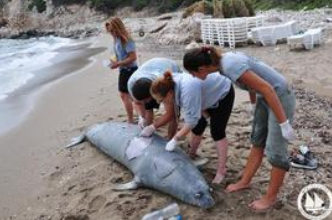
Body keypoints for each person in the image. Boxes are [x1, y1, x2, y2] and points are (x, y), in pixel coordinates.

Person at [183, 46, 296, 211]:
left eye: (192, 73)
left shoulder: (229, 65)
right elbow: (252, 84)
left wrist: (283, 124)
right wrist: (253, 105)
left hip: (279, 97)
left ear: (201, 69)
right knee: (257, 140)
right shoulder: (222, 65)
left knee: (276, 151)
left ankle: (270, 198)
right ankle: (245, 181)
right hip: (264, 97)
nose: (192, 77)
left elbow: (268, 88)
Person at [148, 71, 234, 184]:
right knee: (198, 128)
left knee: (217, 132)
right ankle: (191, 155)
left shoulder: (187, 91)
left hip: (222, 93)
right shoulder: (169, 83)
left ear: (169, 94)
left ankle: (221, 171)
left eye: (161, 100)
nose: (161, 103)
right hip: (202, 94)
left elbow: (191, 120)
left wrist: (175, 138)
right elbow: (193, 119)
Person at [128, 58, 182, 139]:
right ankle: (147, 132)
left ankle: (170, 138)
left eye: (145, 100)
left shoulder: (162, 86)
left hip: (170, 69)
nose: (143, 102)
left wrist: (153, 127)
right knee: (148, 108)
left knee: (174, 114)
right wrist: (141, 117)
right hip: (151, 69)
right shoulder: (131, 84)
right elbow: (137, 103)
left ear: (153, 94)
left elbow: (170, 114)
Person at [105, 17, 138, 124]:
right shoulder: (116, 39)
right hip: (124, 70)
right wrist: (113, 60)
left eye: (112, 30)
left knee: (125, 95)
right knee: (129, 96)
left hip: (130, 70)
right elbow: (119, 54)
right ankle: (136, 117)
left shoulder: (126, 39)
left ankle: (131, 120)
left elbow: (133, 57)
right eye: (109, 31)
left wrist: (118, 63)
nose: (111, 33)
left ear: (118, 27)